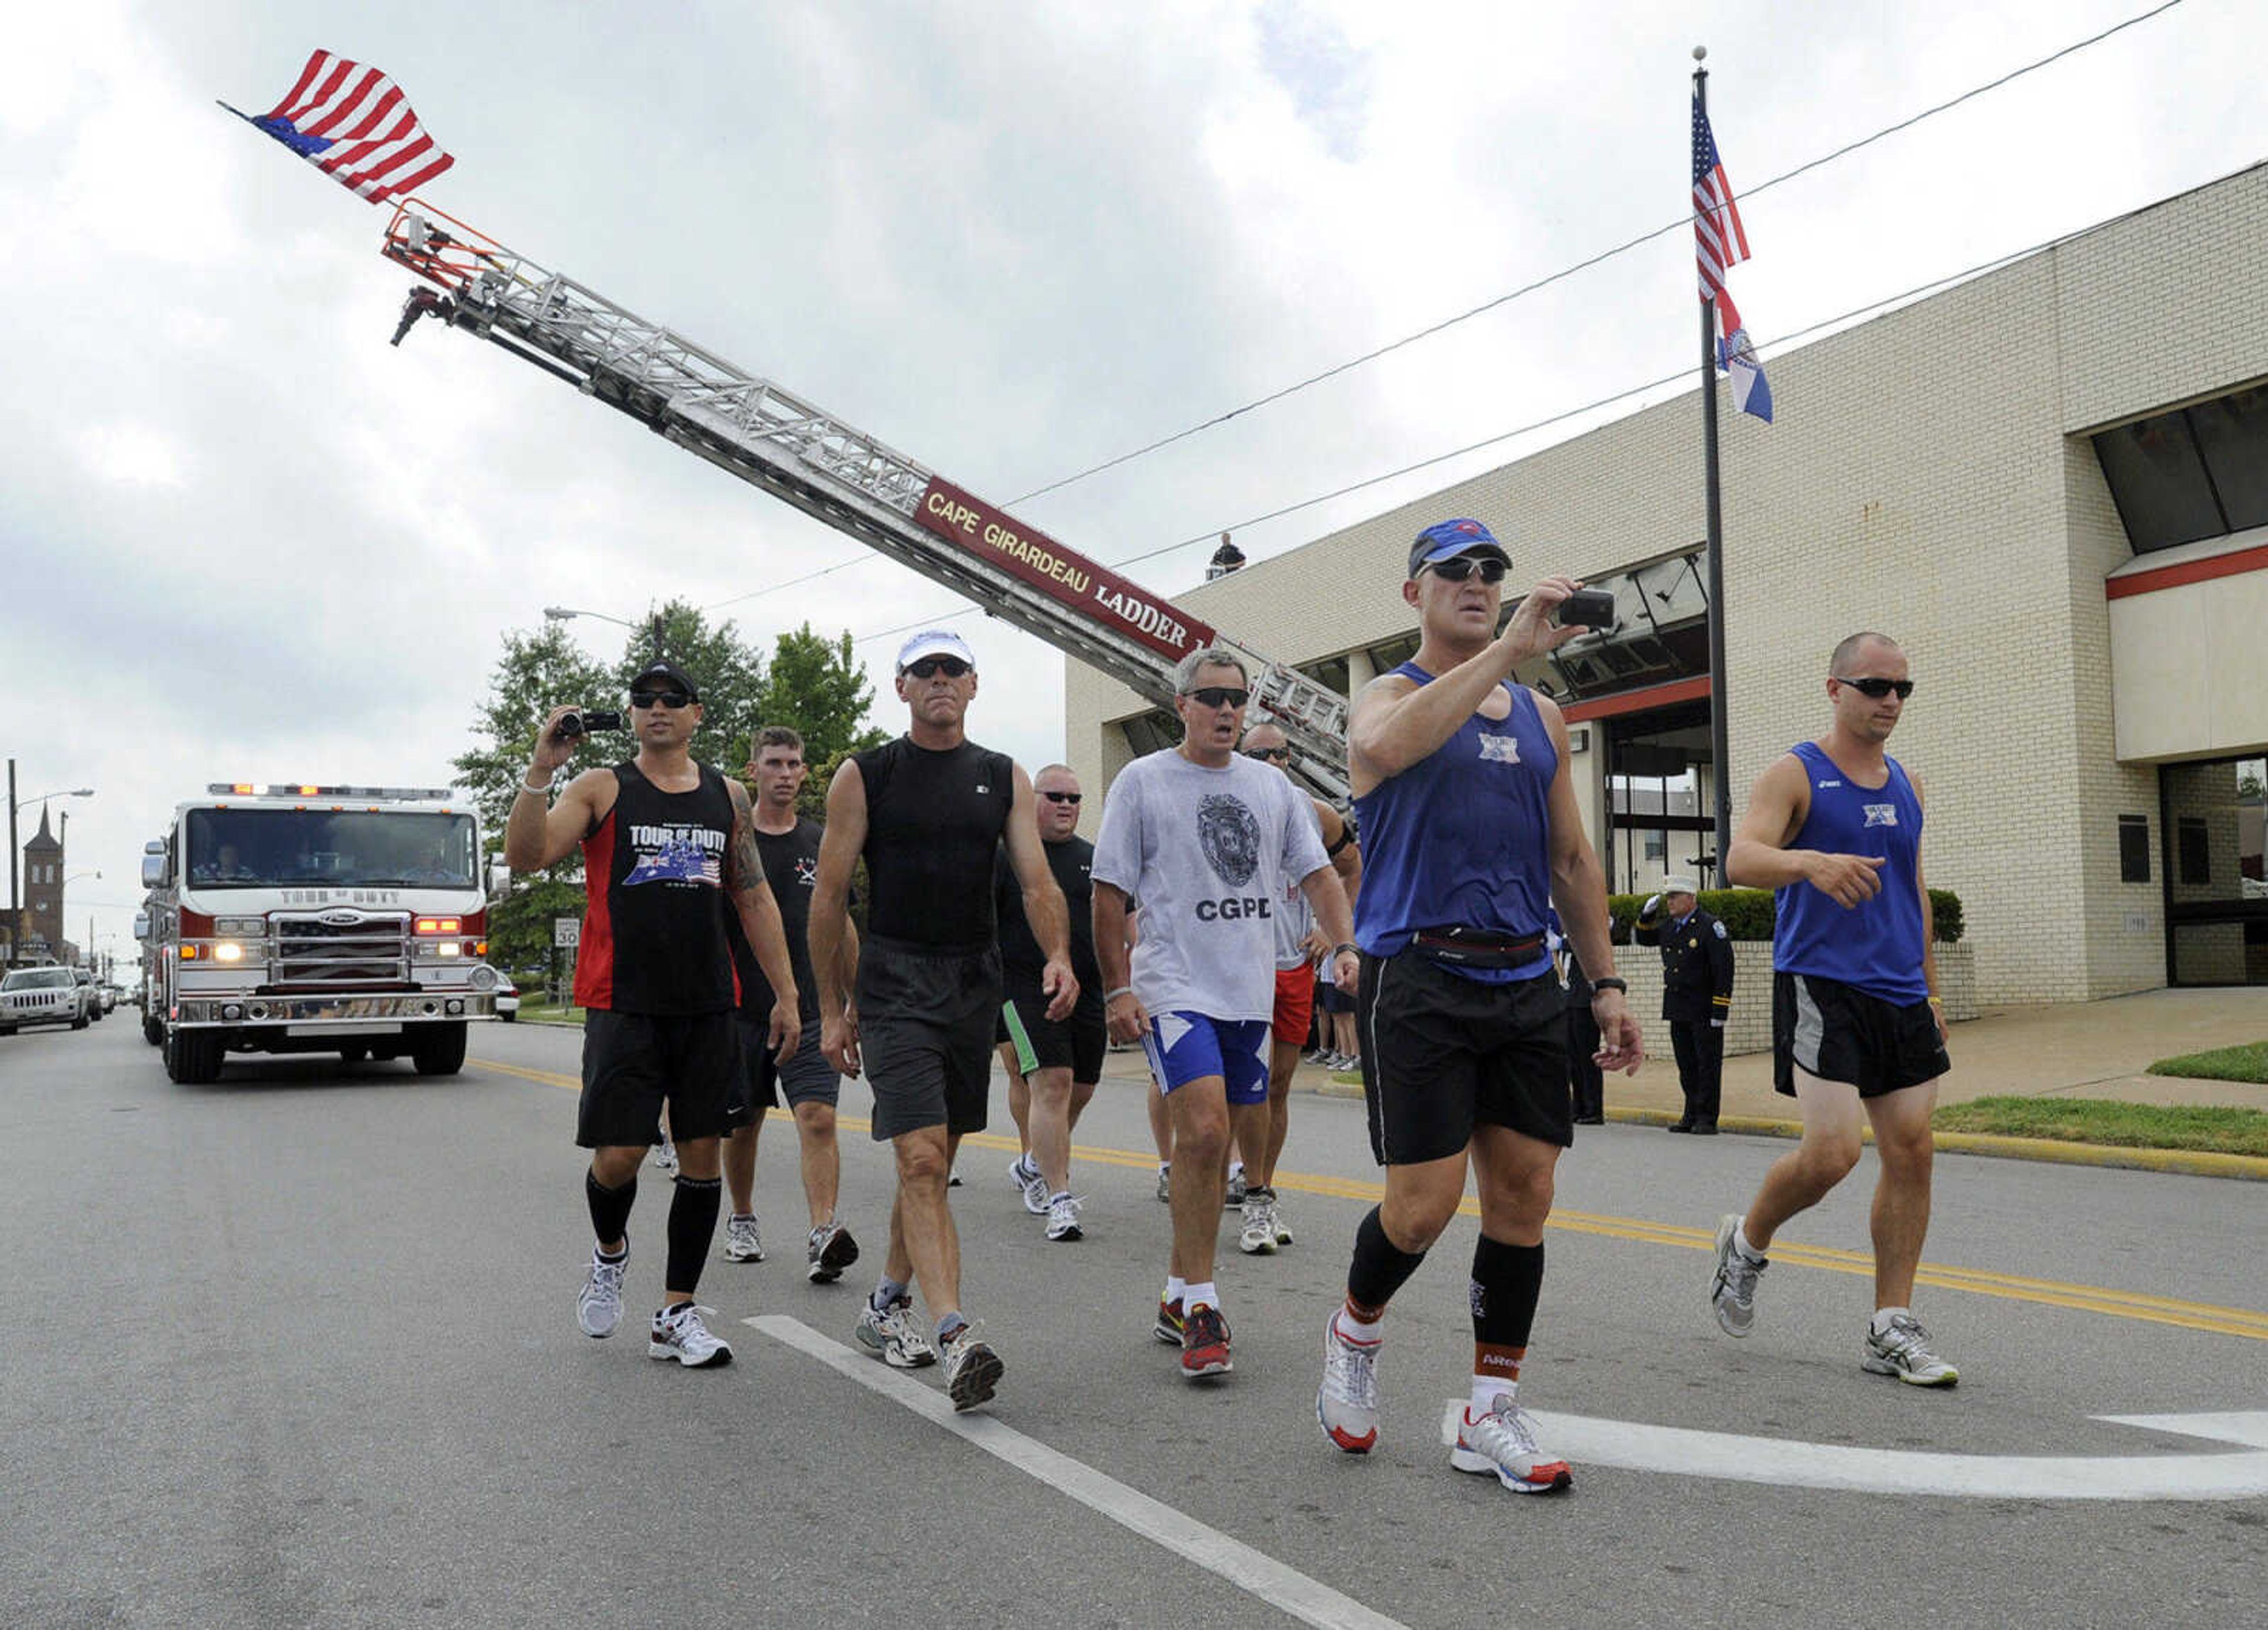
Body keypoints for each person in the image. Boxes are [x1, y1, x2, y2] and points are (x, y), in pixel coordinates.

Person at [1314, 518, 1641, 1494]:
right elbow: (1391, 747)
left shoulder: (1544, 720)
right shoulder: (1385, 695)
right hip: (1420, 978)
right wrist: (1506, 649)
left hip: (1524, 979)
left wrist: (1608, 985)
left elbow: (1573, 861)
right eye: (1453, 571)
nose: (1477, 581)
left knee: (1525, 1194)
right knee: (1421, 1210)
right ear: (1413, 594)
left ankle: (1490, 1410)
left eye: (1491, 571)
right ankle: (1354, 1333)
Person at [506, 658, 801, 1371]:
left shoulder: (727, 797)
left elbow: (754, 897)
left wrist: (788, 995)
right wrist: (541, 770)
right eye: (645, 699)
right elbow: (526, 857)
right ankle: (610, 1255)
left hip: (707, 1005)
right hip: (623, 1003)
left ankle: (675, 1312)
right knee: (621, 1157)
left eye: (673, 699)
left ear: (698, 714)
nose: (658, 708)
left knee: (702, 1158)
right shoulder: (602, 787)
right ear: (633, 714)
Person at [809, 630, 1076, 1413]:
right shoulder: (867, 775)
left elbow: (1036, 882)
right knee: (923, 1161)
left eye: (952, 669)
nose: (939, 681)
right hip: (893, 985)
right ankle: (957, 1334)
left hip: (973, 984)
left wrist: (1057, 954)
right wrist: (831, 1007)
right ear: (901, 687)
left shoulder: (1002, 777)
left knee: (934, 1154)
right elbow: (829, 897)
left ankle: (885, 1304)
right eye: (924, 670)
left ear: (973, 684)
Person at [1091, 647, 1359, 1382]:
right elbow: (1109, 893)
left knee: (1222, 1143)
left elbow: (1321, 873)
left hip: (1249, 992)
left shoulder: (1271, 788)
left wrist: (1345, 945)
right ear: (1181, 705)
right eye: (1210, 697)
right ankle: (1205, 1306)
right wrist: (1119, 988)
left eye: (1236, 699)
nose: (1225, 711)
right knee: (1205, 1131)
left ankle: (1177, 1292)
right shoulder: (1143, 783)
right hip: (1175, 988)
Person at [1708, 632, 1958, 1386]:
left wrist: (1933, 987)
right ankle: (1747, 1243)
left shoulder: (1908, 781)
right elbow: (1741, 857)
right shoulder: (1798, 773)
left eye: (1902, 690)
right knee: (1834, 1155)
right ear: (1834, 689)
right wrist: (1808, 862)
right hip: (1823, 983)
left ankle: (1892, 1324)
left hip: (1901, 991)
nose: (1890, 701)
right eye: (1875, 686)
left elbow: (1913, 890)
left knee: (1912, 1148)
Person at [719, 727, 861, 1284]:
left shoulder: (821, 843)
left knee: (818, 1118)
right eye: (774, 763)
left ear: (804, 773)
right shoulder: (733, 840)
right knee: (743, 1124)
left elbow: (841, 924)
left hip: (810, 1011)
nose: (785, 773)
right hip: (742, 1010)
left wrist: (856, 1003)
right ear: (753, 771)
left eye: (794, 764)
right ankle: (743, 1218)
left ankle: (823, 1231)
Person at [1235, 721, 1361, 1256]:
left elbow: (1350, 870)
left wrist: (1332, 932)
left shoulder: (1314, 812)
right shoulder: (1227, 801)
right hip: (1238, 968)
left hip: (1291, 967)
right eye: (1258, 753)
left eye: (1279, 753)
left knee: (1278, 1087)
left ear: (1291, 759)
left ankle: (1259, 1189)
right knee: (1237, 1090)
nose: (1269, 761)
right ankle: (1243, 1185)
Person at [996, 764, 1106, 1243]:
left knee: (1079, 1089)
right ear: (1033, 799)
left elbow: (1126, 922)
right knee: (1052, 1083)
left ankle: (1032, 1163)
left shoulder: (1095, 860)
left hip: (1089, 989)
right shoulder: (1006, 858)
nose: (1067, 805)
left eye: (1075, 798)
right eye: (1056, 796)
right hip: (1022, 988)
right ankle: (1059, 1197)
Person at [1635, 875, 1734, 1134]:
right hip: (1678, 1006)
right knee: (1687, 1064)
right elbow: (1645, 939)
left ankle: (1707, 1117)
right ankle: (1690, 1114)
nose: (1670, 902)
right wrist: (1646, 917)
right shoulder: (1670, 927)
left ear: (1691, 898)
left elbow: (1723, 969)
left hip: (1703, 1008)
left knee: (1707, 1064)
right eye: (1669, 897)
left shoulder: (1710, 927)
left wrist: (1720, 1009)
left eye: (1675, 897)